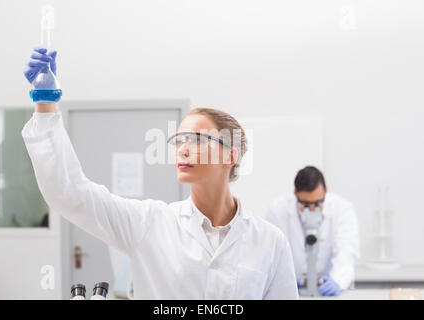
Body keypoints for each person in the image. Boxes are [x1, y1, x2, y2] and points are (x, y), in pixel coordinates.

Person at [21, 46, 298, 299]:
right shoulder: (149, 223)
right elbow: (69, 193)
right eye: (178, 141)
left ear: (230, 154)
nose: (183, 149)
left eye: (197, 139)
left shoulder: (270, 241)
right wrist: (45, 104)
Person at [265, 166, 359, 296]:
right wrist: (285, 280)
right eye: (305, 204)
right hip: (291, 291)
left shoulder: (342, 210)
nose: (311, 209)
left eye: (317, 203)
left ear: (325, 192)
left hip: (329, 290)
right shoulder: (278, 210)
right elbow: (271, 256)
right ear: (295, 193)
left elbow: (346, 251)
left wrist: (337, 280)